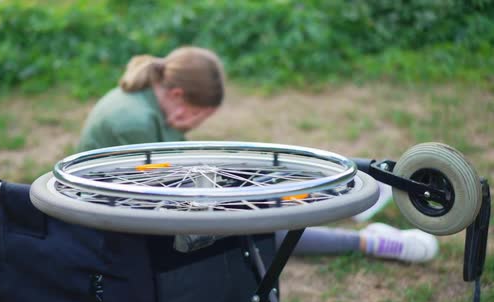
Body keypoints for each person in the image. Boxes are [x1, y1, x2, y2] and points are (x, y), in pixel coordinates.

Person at [77, 46, 438, 264]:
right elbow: (160, 197)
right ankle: (373, 242)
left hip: (135, 202)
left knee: (253, 183)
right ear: (177, 94)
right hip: (121, 227)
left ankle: (344, 194)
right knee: (255, 229)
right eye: (194, 117)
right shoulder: (136, 121)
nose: (189, 126)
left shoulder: (146, 103)